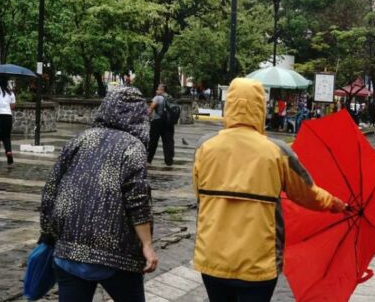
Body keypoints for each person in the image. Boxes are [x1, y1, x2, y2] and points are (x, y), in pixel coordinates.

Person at [192, 78, 347, 302]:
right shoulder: (277, 151)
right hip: (258, 261)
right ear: (260, 108)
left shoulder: (204, 146)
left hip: (212, 257)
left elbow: (198, 193)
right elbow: (307, 192)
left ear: (230, 105)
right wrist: (332, 203)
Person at [39, 86, 157, 302]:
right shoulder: (133, 147)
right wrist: (147, 246)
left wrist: (48, 233)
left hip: (69, 250)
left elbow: (51, 189)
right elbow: (137, 201)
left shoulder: (80, 139)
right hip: (117, 255)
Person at [147, 84, 174, 166]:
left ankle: (149, 159)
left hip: (157, 121)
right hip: (169, 123)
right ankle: (169, 161)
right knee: (168, 142)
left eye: (158, 89)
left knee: (153, 141)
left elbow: (151, 109)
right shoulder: (170, 98)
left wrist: (146, 115)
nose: (156, 91)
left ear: (162, 90)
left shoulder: (158, 97)